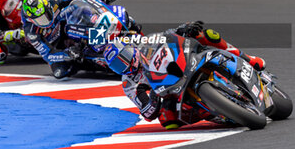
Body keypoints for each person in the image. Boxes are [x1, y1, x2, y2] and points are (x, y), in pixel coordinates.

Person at [104, 21, 266, 130]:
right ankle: (220, 111)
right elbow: (147, 112)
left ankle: (247, 59)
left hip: (182, 61)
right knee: (168, 121)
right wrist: (154, 95)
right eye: (118, 66)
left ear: (131, 50)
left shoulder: (144, 43)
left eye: (123, 59)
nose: (124, 66)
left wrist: (184, 28)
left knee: (206, 34)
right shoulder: (129, 84)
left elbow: (167, 35)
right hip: (169, 89)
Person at [21, 0, 126, 79]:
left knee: (81, 8)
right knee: (60, 72)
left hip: (68, 27)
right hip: (58, 46)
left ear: (48, 5)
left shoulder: (53, 0)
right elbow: (48, 55)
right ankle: (93, 62)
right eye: (40, 19)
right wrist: (67, 54)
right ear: (31, 20)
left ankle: (108, 26)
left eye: (46, 14)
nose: (46, 20)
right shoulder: (31, 33)